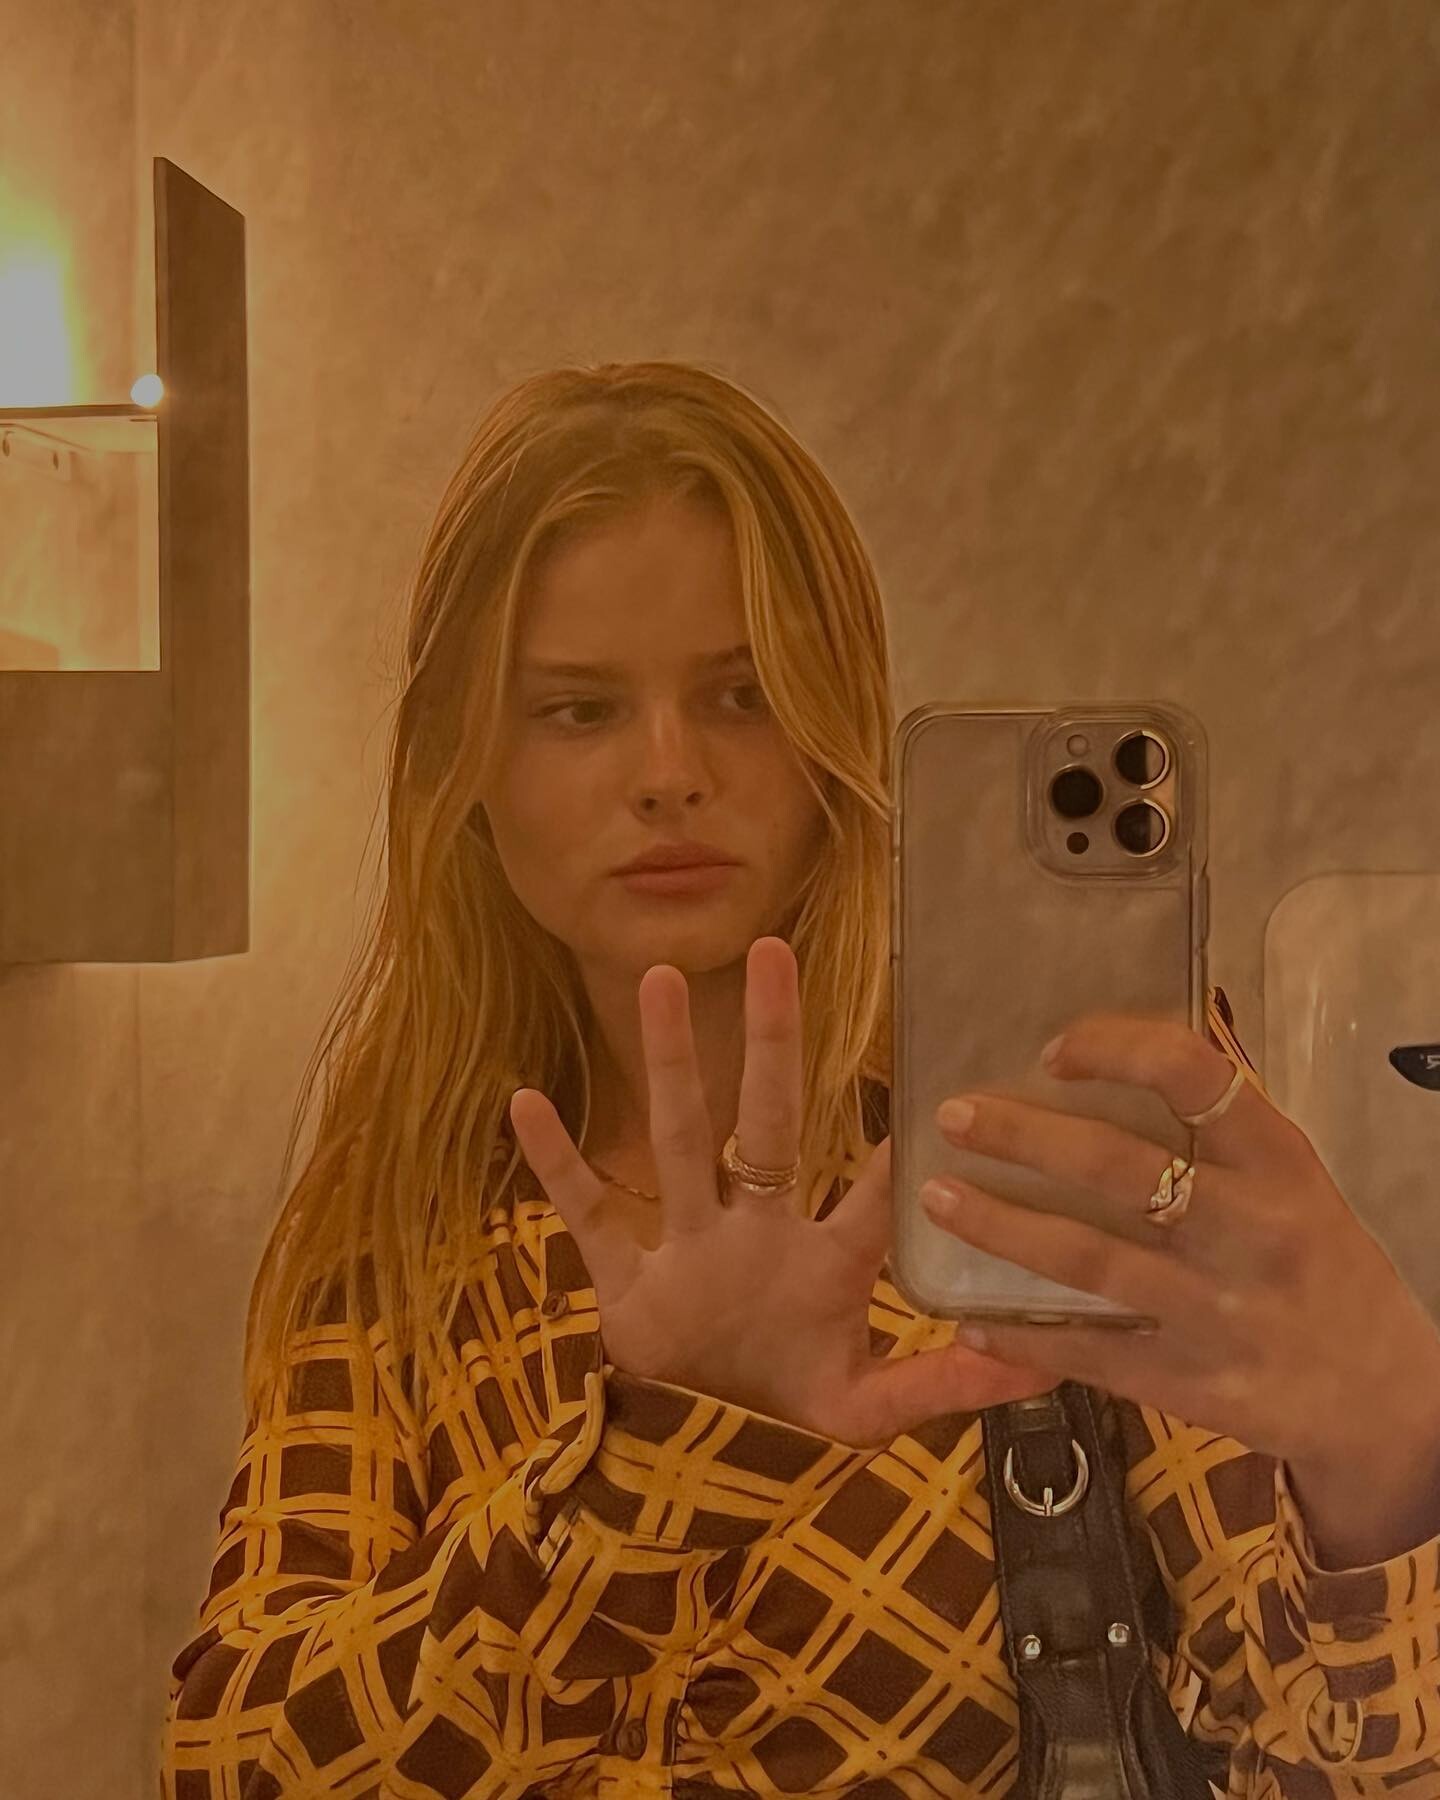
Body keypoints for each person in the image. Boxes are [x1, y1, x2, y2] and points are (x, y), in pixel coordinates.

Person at [161, 361, 1440, 1798]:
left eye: (743, 694)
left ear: (833, 728)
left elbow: (1321, 1762)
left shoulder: (1034, 1137)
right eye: (579, 711)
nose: (668, 773)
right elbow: (232, 1767)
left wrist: (1389, 1466)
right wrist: (647, 1469)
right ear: (465, 771)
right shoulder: (409, 1227)